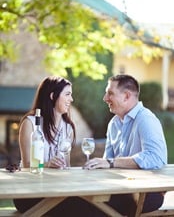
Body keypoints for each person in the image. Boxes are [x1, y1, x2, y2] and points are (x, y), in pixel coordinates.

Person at [84, 74, 168, 217]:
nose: (105, 98)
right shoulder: (114, 124)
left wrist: (111, 163)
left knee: (79, 207)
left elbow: (156, 158)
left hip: (144, 194)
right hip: (119, 189)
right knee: (75, 201)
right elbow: (107, 164)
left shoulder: (146, 119)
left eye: (110, 93)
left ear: (126, 96)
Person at [13, 76, 76, 214]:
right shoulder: (30, 123)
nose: (71, 99)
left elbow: (67, 167)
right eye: (67, 94)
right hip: (29, 192)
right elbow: (27, 165)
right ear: (53, 96)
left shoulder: (68, 128)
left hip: (57, 192)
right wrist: (46, 164)